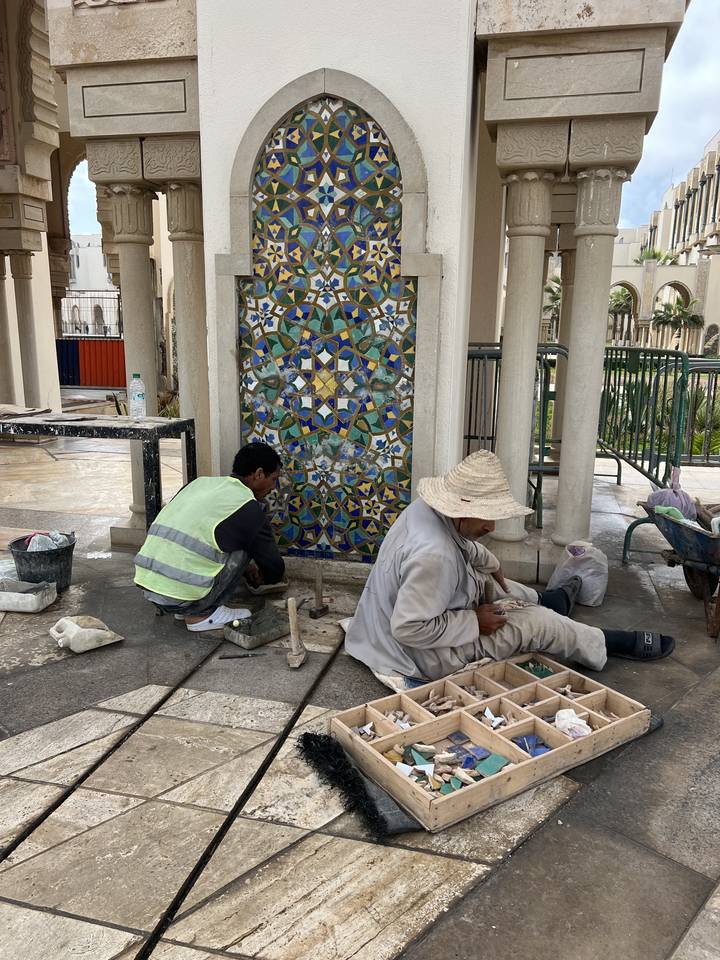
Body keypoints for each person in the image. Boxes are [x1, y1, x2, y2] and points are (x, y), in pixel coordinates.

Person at [345, 449, 674, 689]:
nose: (491, 526)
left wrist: (489, 561)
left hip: (380, 626)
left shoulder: (425, 510)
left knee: (496, 582)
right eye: (486, 516)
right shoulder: (436, 557)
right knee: (535, 623)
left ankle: (553, 600)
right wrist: (474, 621)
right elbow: (410, 628)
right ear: (459, 509)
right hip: (414, 653)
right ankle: (606, 641)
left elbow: (457, 548)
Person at [134, 442, 285, 631]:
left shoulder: (198, 484)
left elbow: (193, 540)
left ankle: (185, 605)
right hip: (183, 596)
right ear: (259, 474)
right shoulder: (247, 506)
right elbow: (274, 567)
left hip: (149, 587)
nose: (273, 487)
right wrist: (264, 577)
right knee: (248, 540)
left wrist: (248, 569)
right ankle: (202, 614)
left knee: (231, 537)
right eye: (273, 479)